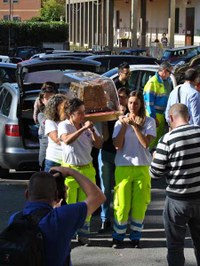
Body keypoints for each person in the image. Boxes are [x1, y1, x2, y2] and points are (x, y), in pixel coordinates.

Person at [8, 167, 105, 266]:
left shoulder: (15, 218)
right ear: (56, 195)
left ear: (27, 194)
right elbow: (98, 196)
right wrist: (71, 171)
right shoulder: (62, 217)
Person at [150, 103, 200, 266]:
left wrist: (155, 157)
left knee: (175, 246)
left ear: (170, 118)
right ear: (189, 117)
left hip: (177, 201)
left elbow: (155, 173)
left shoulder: (167, 140)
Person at [112, 91, 156, 248]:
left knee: (139, 205)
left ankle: (135, 237)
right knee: (122, 205)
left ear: (141, 104)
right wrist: (124, 126)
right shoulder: (119, 122)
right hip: (123, 166)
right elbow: (117, 144)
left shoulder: (149, 121)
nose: (132, 106)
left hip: (142, 167)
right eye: (130, 103)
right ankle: (118, 237)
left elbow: (145, 144)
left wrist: (135, 126)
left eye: (136, 103)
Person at [58, 97, 102, 245]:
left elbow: (99, 144)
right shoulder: (64, 126)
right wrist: (83, 129)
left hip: (87, 169)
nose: (83, 116)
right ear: (70, 114)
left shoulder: (89, 126)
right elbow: (67, 140)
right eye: (80, 113)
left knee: (86, 204)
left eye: (84, 112)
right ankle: (67, 234)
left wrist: (92, 131)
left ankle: (83, 233)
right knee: (70, 203)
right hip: (70, 170)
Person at [98, 87, 130, 233]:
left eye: (123, 97)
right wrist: (107, 120)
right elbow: (104, 138)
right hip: (106, 153)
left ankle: (120, 219)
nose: (121, 100)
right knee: (105, 188)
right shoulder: (107, 113)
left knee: (120, 189)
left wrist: (123, 118)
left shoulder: (131, 115)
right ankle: (105, 220)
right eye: (118, 97)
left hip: (123, 156)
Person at [143, 61, 173, 149]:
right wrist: (153, 117)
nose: (170, 75)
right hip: (153, 115)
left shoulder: (164, 82)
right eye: (169, 72)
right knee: (150, 141)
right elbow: (149, 103)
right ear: (164, 70)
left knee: (157, 141)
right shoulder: (152, 83)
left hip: (160, 115)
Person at [44, 94, 69, 172]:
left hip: (67, 161)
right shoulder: (50, 122)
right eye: (63, 106)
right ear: (56, 107)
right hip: (54, 160)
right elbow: (58, 140)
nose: (66, 108)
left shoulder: (68, 120)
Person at [37, 83, 58, 170]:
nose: (49, 100)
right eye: (46, 98)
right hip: (46, 156)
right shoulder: (41, 115)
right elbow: (46, 121)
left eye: (52, 98)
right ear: (42, 100)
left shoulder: (61, 113)